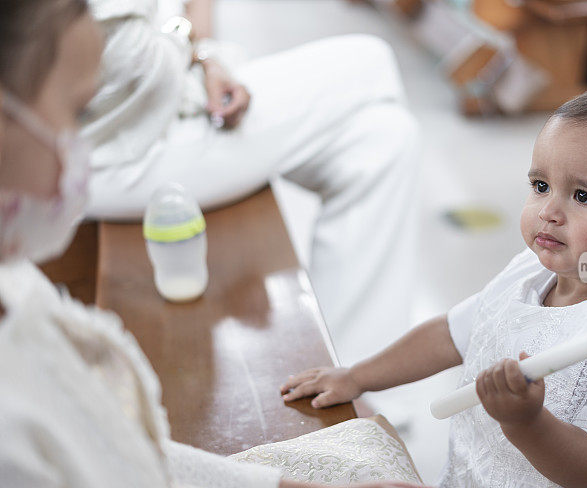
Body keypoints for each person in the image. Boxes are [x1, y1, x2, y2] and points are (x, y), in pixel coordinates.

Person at [0, 1, 451, 488]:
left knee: (385, 135)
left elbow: (117, 445)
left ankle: (353, 389)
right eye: (78, 114)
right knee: (370, 64)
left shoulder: (21, 294)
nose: (78, 143)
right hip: (147, 137)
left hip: (173, 86)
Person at [281, 83, 587, 488]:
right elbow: (451, 334)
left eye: (583, 196)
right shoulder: (529, 272)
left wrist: (527, 422)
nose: (548, 211)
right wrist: (357, 377)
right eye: (541, 186)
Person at [81, 0, 420, 365]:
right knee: (370, 61)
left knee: (385, 138)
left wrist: (205, 58)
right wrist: (187, 42)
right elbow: (128, 65)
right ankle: (368, 388)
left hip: (157, 111)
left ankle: (353, 377)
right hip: (114, 153)